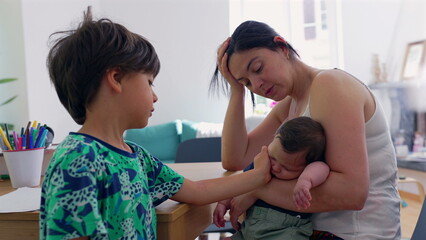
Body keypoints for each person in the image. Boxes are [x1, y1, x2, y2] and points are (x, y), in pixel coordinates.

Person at [39, 11, 272, 240]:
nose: (155, 96)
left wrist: (259, 175)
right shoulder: (77, 160)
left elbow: (198, 192)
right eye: (149, 82)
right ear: (116, 78)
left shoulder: (138, 157)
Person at [210, 20, 400, 240]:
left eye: (257, 68)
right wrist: (236, 91)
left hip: (357, 234)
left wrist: (254, 189)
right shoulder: (291, 104)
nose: (257, 85)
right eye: (247, 83)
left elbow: (353, 194)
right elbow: (236, 158)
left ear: (282, 47)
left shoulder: (331, 84)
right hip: (309, 232)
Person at [214, 116, 330, 239]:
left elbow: (321, 168)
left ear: (307, 165)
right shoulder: (262, 163)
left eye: (287, 168)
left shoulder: (309, 170)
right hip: (248, 230)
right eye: (273, 157)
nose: (276, 167)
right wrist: (223, 203)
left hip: (284, 231)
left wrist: (306, 180)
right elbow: (240, 184)